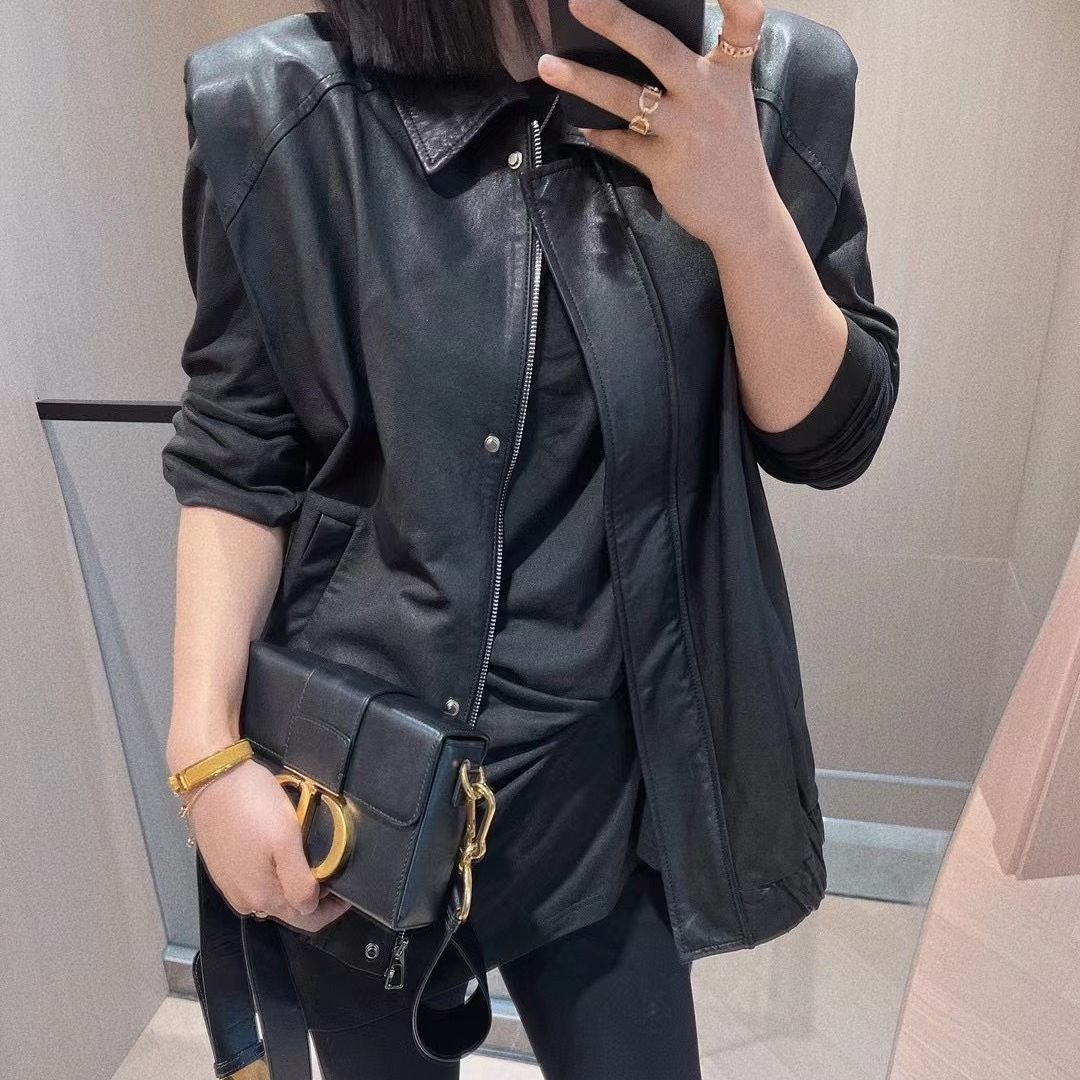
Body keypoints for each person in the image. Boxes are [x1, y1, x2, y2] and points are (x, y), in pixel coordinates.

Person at [162, 0, 901, 1077]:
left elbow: (830, 441)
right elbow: (240, 451)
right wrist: (203, 752)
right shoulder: (278, 105)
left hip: (611, 801)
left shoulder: (772, 86)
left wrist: (747, 217)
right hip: (359, 786)